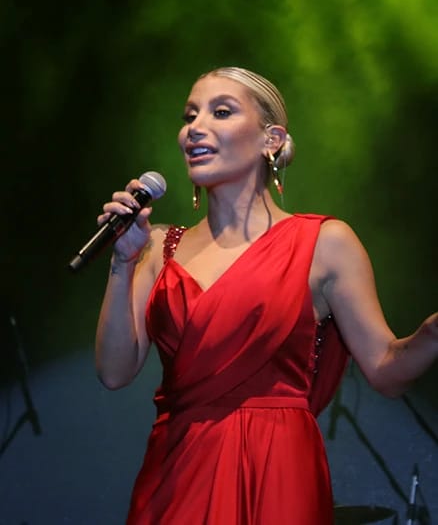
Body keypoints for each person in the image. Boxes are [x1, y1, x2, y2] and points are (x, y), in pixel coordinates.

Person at [95, 67, 438, 525]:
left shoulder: (323, 243)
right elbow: (114, 372)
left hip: (277, 468)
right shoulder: (157, 246)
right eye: (190, 116)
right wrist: (122, 262)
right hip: (177, 471)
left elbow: (386, 371)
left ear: (270, 139)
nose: (194, 128)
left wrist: (432, 333)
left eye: (220, 112)